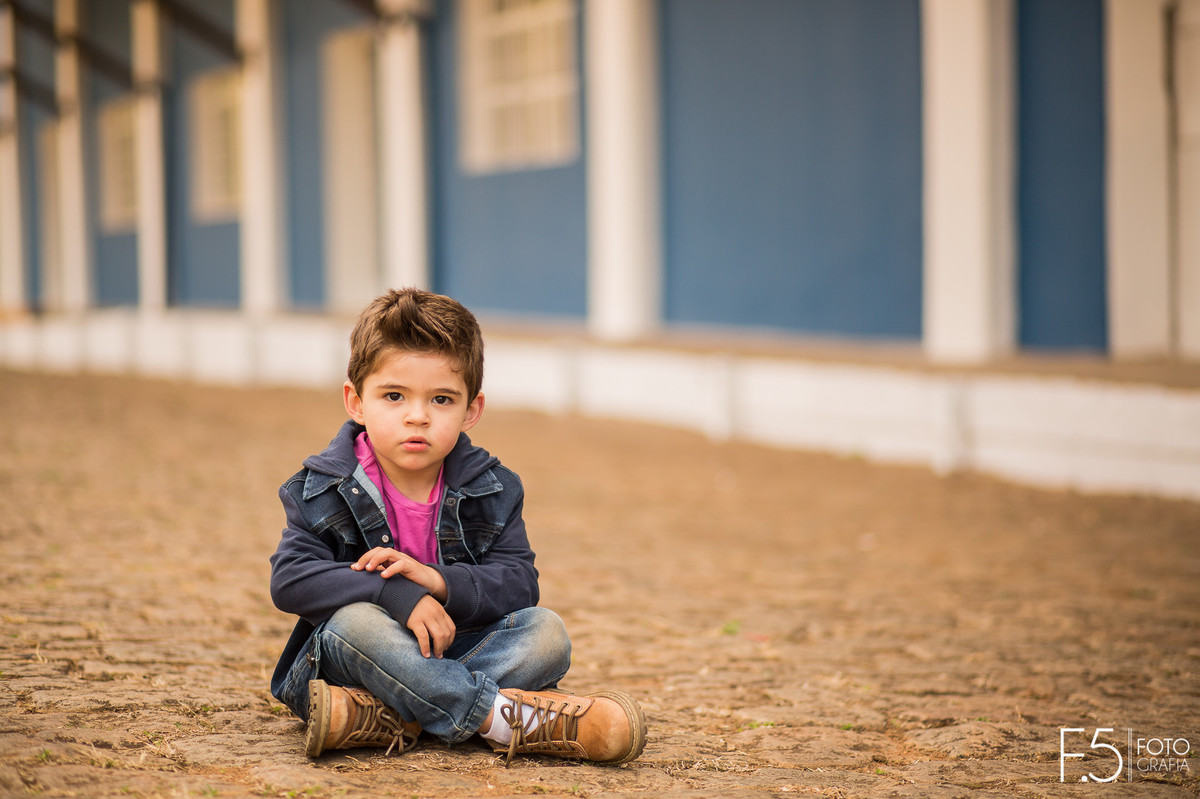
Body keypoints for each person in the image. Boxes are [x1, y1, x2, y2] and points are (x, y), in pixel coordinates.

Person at [268, 288, 646, 766]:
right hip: (353, 659)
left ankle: (389, 713)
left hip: (454, 649)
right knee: (353, 621)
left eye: (441, 399)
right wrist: (396, 594)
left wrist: (437, 580)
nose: (417, 416)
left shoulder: (493, 488)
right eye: (393, 396)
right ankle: (505, 719)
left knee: (546, 633)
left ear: (472, 409)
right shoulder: (321, 487)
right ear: (356, 401)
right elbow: (291, 581)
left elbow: (518, 583)